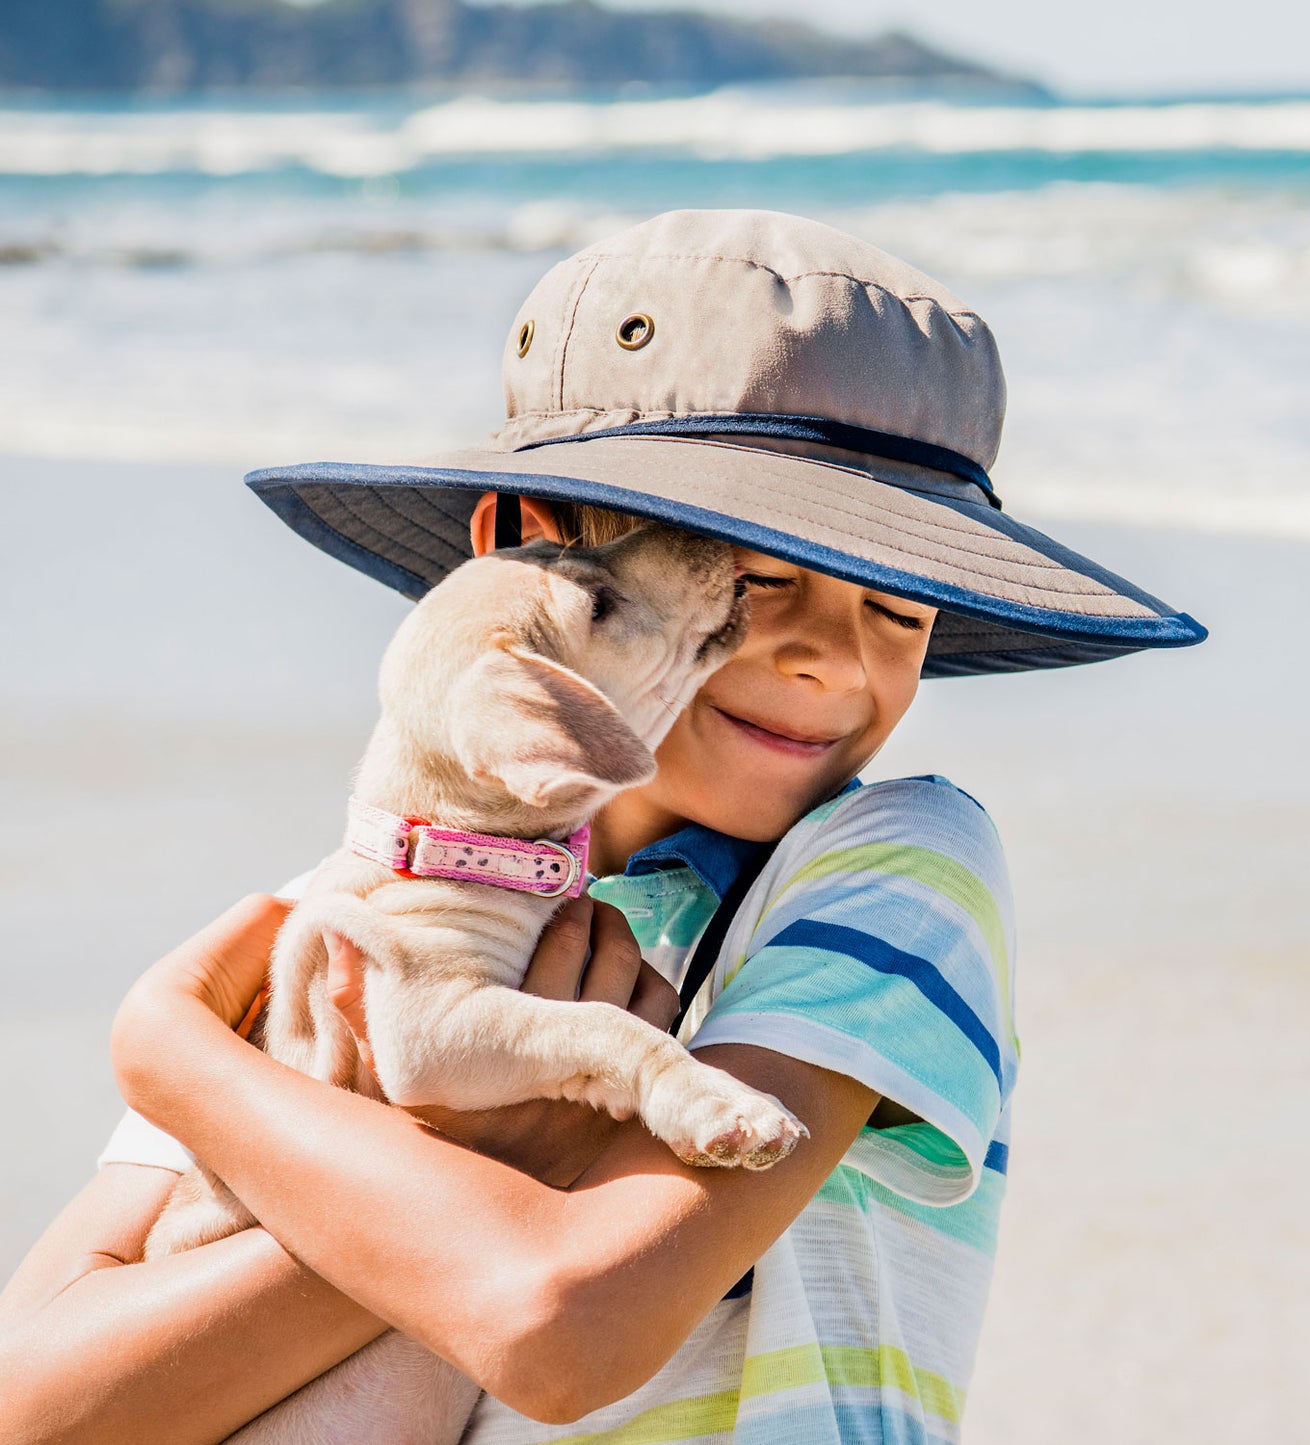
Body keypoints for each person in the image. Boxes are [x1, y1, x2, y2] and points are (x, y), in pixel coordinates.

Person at [0, 209, 1205, 1443]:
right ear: (516, 547)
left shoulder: (885, 872)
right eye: (756, 578)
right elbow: (35, 1406)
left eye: (899, 608)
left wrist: (176, 1057)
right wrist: (483, 1147)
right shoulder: (354, 916)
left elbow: (562, 1328)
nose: (829, 662)